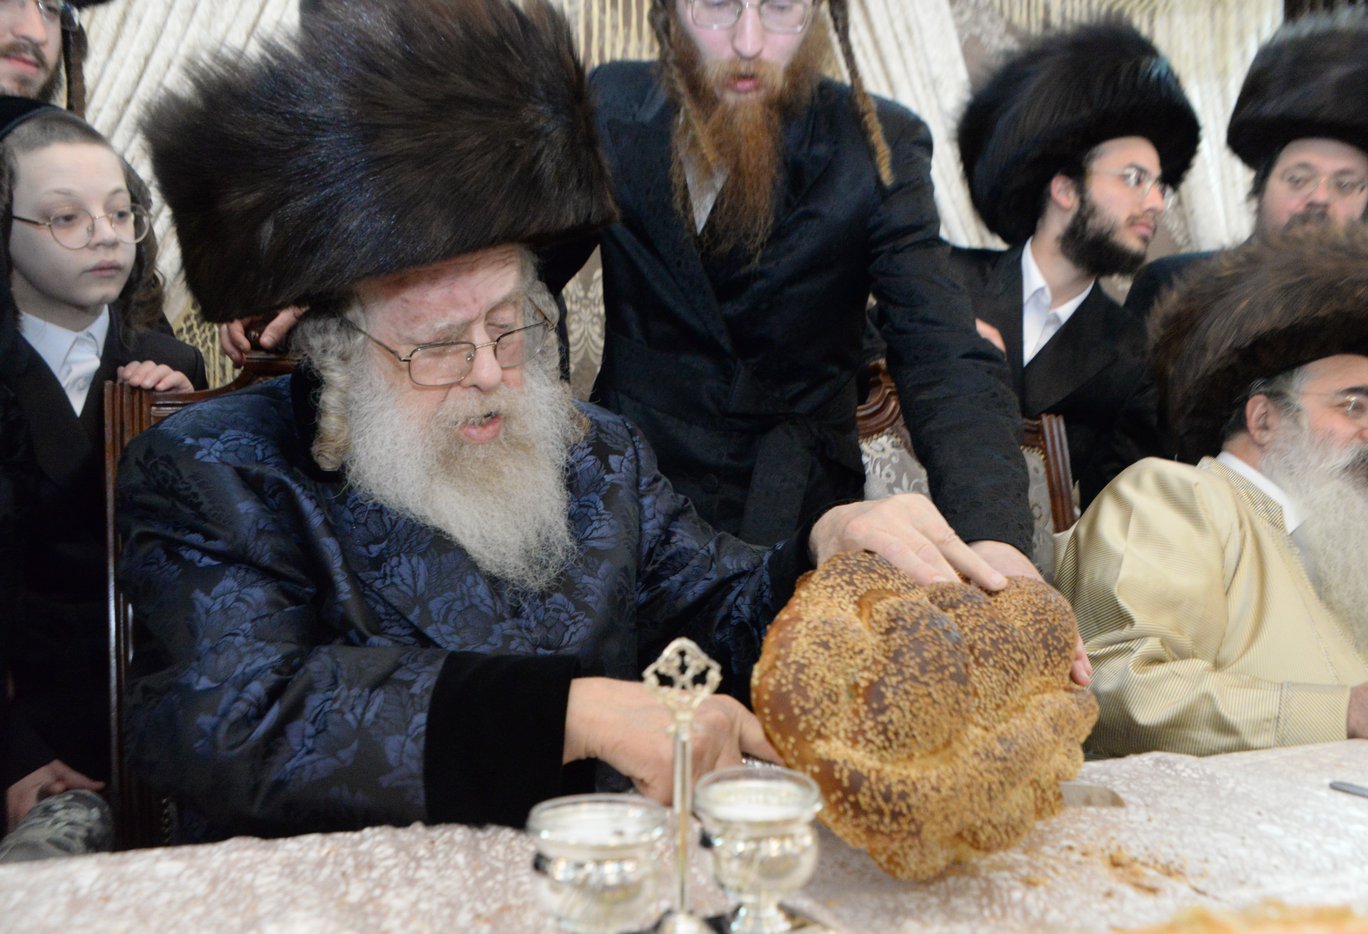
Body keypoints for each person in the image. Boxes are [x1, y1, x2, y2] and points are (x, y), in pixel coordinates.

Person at [123, 0, 1074, 843]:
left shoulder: (597, 457)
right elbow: (223, 719)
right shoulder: (217, 470)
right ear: (335, 348)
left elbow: (720, 609)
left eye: (510, 324)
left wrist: (826, 544)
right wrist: (564, 716)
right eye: (439, 346)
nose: (491, 372)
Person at [527, 0, 1034, 583]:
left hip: (794, 516)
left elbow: (940, 348)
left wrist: (993, 537)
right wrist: (546, 427)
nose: (748, 41)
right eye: (718, 5)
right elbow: (528, 274)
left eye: (779, 7)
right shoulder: (610, 104)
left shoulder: (876, 144)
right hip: (626, 498)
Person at [1056, 227, 1368, 758]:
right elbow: (1123, 689)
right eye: (1354, 406)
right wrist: (1346, 712)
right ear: (1264, 420)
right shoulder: (1173, 495)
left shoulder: (1348, 548)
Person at [0, 99, 205, 847]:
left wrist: (185, 422)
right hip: (29, 731)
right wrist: (12, 756)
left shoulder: (171, 364)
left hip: (161, 716)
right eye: (67, 217)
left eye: (120, 213)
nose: (105, 235)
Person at [944, 20, 1198, 506]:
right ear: (1064, 188)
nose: (1155, 203)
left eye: (1160, 186)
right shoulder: (944, 280)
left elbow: (1123, 517)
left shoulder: (1133, 356)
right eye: (1133, 178)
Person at [1122, 16, 1368, 320]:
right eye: (1298, 179)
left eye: (1344, 185)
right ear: (1261, 189)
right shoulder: (1171, 287)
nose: (1319, 198)